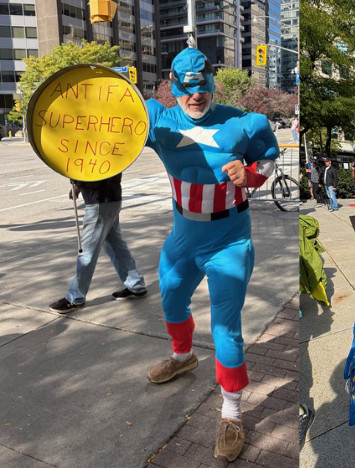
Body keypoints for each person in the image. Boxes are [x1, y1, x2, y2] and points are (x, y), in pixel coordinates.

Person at [144, 47, 280, 462]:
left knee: (226, 327)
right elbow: (108, 127)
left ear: (211, 83)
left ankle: (232, 412)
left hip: (229, 241)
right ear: (173, 88)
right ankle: (182, 357)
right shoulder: (158, 121)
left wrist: (252, 174)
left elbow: (270, 158)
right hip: (183, 237)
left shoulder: (245, 122)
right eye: (186, 90)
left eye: (201, 87)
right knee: (170, 297)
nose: (195, 97)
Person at [49, 174, 147, 313]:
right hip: (112, 197)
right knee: (116, 245)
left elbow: (90, 167)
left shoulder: (95, 152)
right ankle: (136, 284)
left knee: (87, 251)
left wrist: (78, 183)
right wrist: (78, 184)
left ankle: (74, 297)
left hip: (99, 200)